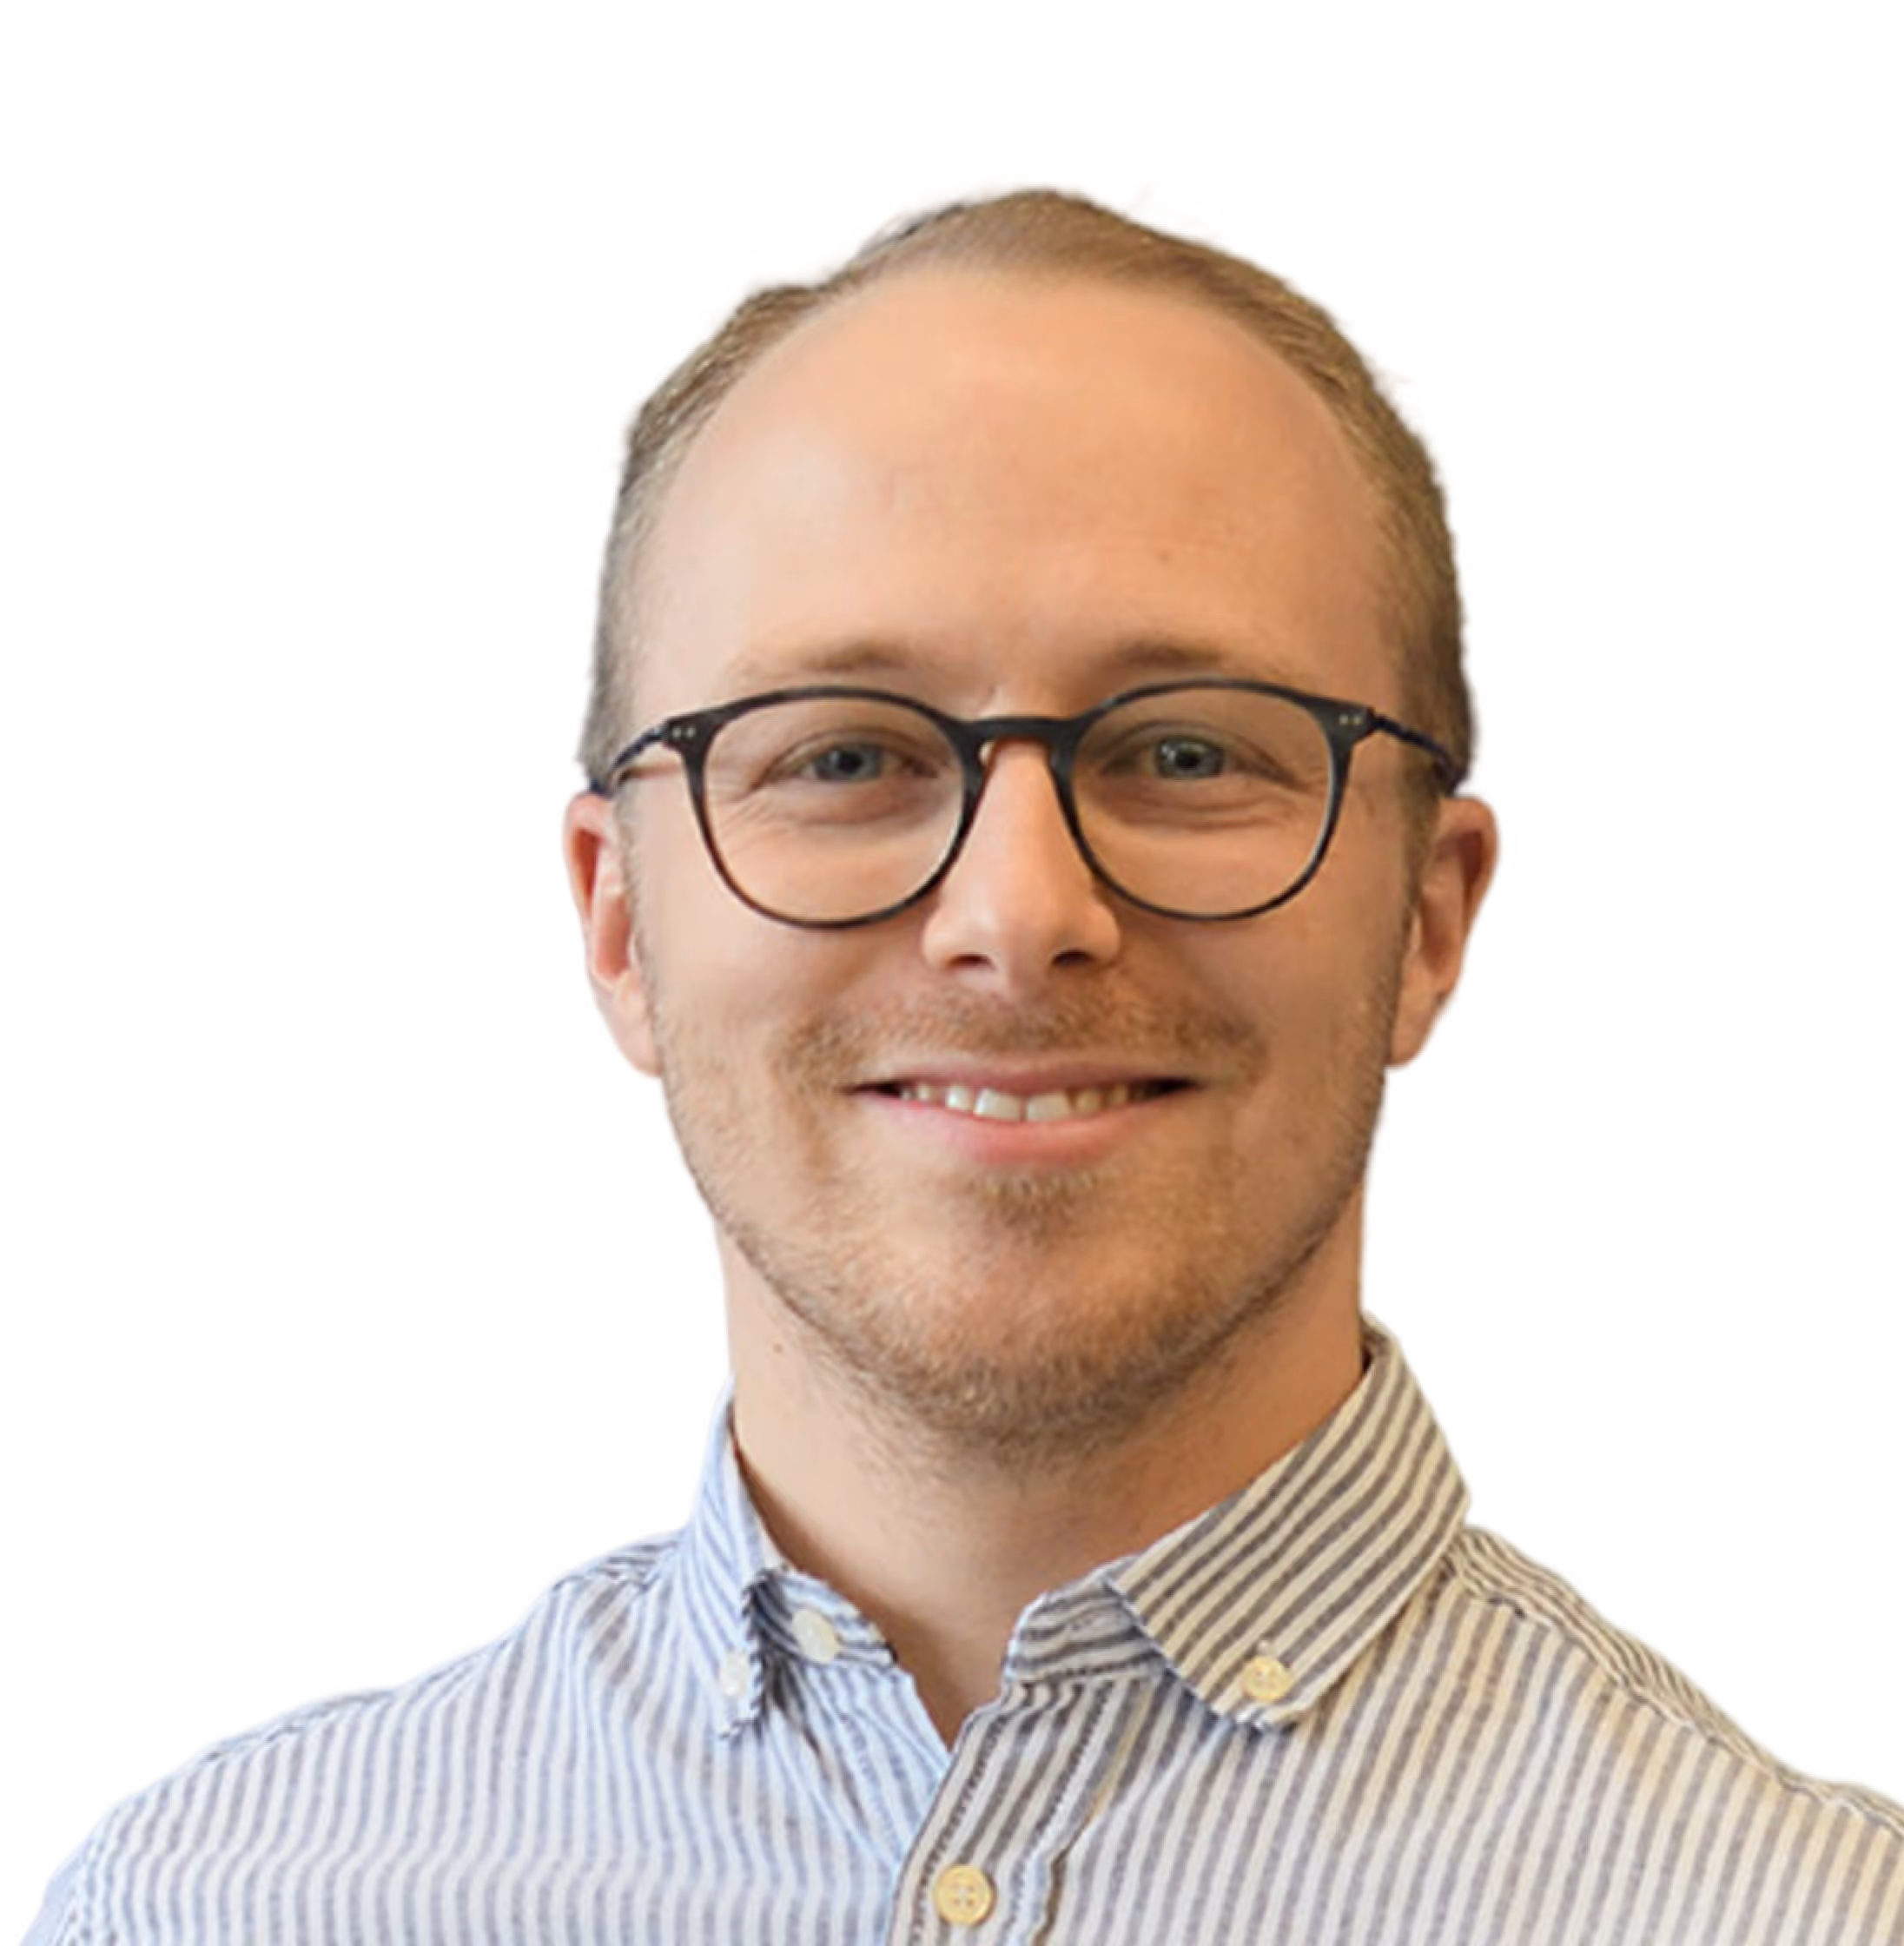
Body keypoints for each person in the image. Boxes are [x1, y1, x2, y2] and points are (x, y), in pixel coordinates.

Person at [22, 174, 1901, 1944]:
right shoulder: (202, 1907)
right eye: (841, 754)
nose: (1017, 912)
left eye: (1187, 751)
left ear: (1433, 917)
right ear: (619, 927)